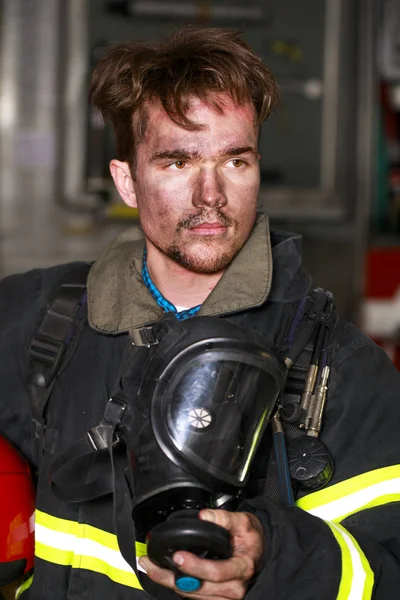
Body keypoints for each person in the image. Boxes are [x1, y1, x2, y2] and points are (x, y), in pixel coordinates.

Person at [0, 25, 400, 600]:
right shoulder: (44, 322)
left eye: (235, 161)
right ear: (128, 181)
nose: (211, 195)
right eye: (178, 163)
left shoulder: (338, 373)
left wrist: (272, 555)